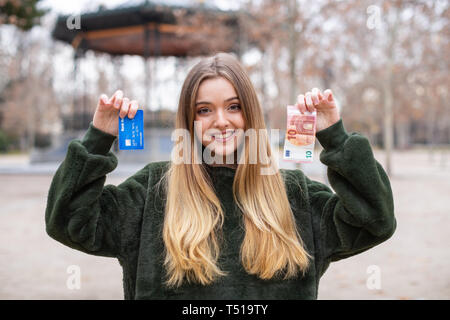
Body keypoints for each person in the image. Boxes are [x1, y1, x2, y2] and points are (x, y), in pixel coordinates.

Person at [45, 52, 396, 300]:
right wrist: (99, 137)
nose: (222, 121)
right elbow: (68, 222)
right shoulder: (152, 190)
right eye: (203, 110)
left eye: (233, 106)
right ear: (189, 120)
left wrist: (333, 135)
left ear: (251, 113)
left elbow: (375, 220)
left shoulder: (295, 195)